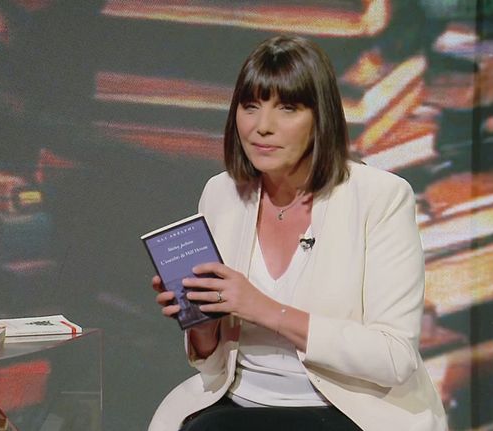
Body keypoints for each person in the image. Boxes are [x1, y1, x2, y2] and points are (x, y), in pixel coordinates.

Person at [149, 35, 446, 431]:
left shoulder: (381, 197)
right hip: (238, 402)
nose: (262, 127)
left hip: (347, 407)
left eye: (287, 108)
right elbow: (214, 366)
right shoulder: (221, 193)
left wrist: (262, 308)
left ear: (320, 118)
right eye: (250, 107)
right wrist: (202, 321)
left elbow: (394, 358)